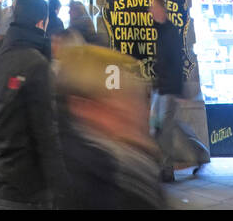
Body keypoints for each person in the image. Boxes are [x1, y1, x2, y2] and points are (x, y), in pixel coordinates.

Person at [54, 42, 166, 210]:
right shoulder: (92, 182)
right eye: (120, 98)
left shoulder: (126, 160)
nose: (135, 109)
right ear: (83, 107)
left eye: (134, 95)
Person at [0, 0, 62, 210]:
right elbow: (45, 133)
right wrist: (62, 187)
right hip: (27, 192)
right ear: (41, 23)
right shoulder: (36, 63)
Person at [149, 0, 210, 183]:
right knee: (161, 127)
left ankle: (168, 170)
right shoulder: (160, 29)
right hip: (161, 87)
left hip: (168, 89)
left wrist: (177, 90)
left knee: (164, 129)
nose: (150, 10)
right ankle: (198, 154)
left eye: (153, 7)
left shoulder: (170, 31)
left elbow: (177, 60)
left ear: (161, 9)